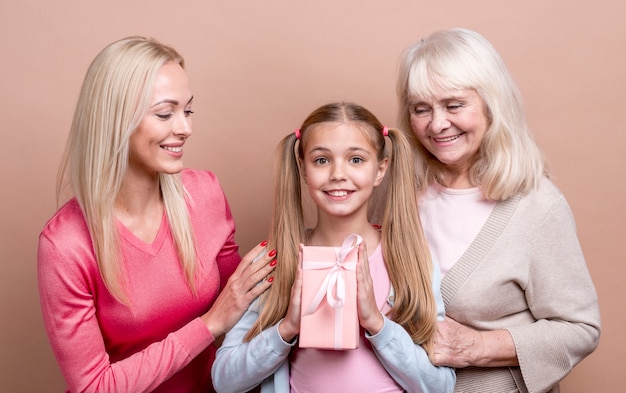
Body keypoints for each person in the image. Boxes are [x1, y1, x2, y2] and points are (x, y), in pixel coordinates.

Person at [37, 36, 277, 393]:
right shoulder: (65, 245)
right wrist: (208, 325)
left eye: (188, 110)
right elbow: (93, 387)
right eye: (165, 113)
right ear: (116, 120)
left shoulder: (205, 193)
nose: (185, 128)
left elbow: (243, 302)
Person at [396, 28, 601, 392]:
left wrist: (476, 348)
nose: (437, 124)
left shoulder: (537, 204)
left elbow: (580, 329)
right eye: (421, 109)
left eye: (454, 105)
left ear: (492, 104)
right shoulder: (395, 191)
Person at [211, 102, 456, 393]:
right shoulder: (275, 260)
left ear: (380, 169)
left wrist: (377, 325)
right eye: (322, 160)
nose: (338, 174)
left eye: (355, 160)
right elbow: (224, 381)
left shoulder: (409, 260)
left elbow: (440, 386)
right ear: (303, 168)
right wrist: (286, 328)